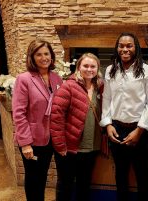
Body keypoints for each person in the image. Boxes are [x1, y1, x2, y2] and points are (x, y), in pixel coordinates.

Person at [99, 32, 148, 201]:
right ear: (117, 48)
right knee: (121, 172)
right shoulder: (110, 70)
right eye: (121, 46)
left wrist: (139, 131)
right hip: (116, 129)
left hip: (139, 129)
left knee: (141, 173)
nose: (125, 49)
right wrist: (108, 125)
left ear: (136, 48)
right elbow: (107, 99)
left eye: (129, 46)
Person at [12, 39, 63, 201]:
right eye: (38, 54)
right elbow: (19, 113)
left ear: (52, 56)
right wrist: (25, 143)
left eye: (46, 53)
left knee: (43, 176)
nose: (43, 58)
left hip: (50, 139)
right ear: (32, 58)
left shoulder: (56, 78)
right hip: (32, 141)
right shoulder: (24, 79)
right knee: (34, 179)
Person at [50, 53, 103, 201]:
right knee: (65, 186)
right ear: (78, 67)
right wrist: (60, 146)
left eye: (93, 66)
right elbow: (56, 117)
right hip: (71, 148)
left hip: (92, 147)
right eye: (85, 65)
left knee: (84, 185)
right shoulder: (68, 86)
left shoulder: (100, 87)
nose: (89, 69)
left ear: (97, 68)